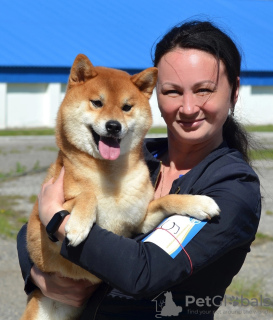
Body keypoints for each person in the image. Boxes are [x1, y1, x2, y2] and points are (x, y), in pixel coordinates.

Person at [17, 20, 261, 319]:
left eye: (204, 90)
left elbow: (145, 272)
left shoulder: (232, 186)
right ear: (154, 94)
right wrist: (41, 279)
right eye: (172, 91)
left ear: (234, 91)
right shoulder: (135, 155)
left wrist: (58, 219)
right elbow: (27, 232)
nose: (187, 107)